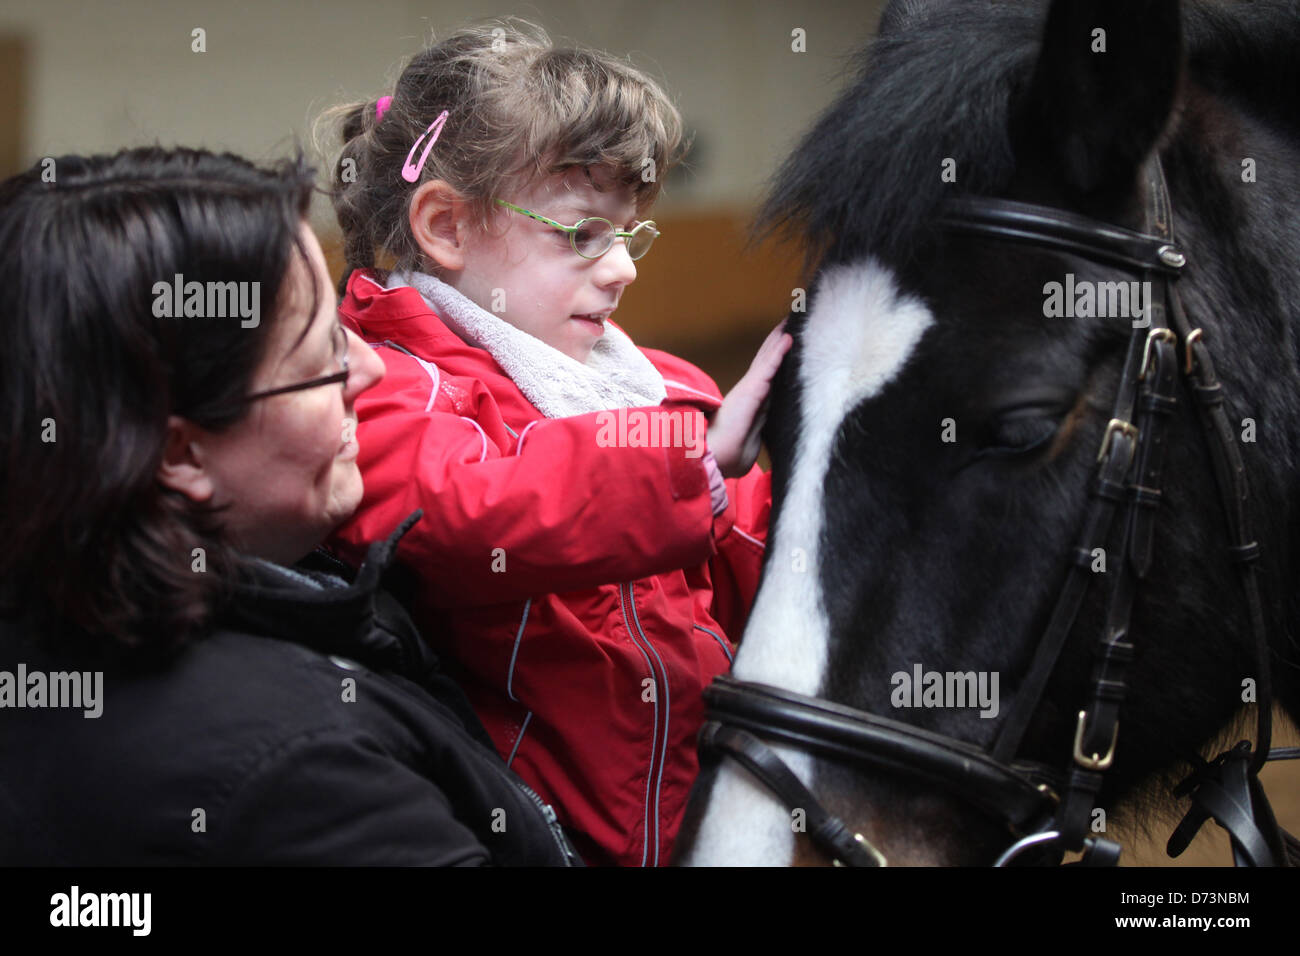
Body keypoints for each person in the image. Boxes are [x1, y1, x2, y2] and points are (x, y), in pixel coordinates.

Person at [0, 146, 579, 866]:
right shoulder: (302, 778)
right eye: (323, 358)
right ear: (180, 455)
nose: (368, 368)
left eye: (346, 328)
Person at [324, 20, 791, 866]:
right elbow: (459, 514)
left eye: (627, 233)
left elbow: (754, 577)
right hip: (533, 841)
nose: (623, 270)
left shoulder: (664, 389)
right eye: (583, 234)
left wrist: (818, 484)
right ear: (448, 228)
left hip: (701, 825)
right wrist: (693, 466)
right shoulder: (389, 383)